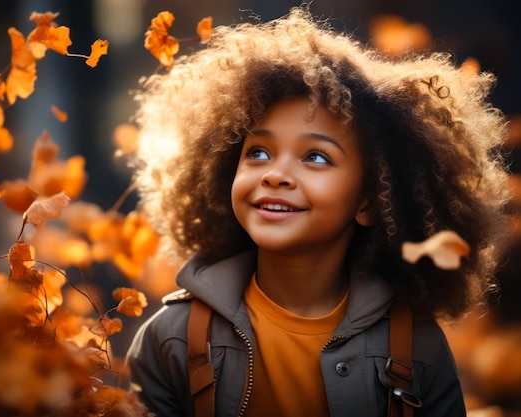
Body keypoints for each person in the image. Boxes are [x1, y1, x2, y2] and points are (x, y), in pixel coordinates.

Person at [124, 6, 510, 417]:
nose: (275, 174)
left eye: (316, 157)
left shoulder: (417, 348)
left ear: (368, 201)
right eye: (258, 151)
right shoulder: (172, 339)